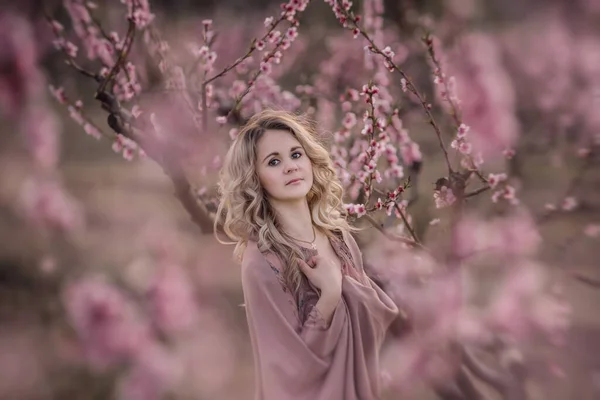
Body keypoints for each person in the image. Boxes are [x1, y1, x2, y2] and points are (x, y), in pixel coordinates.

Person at [215, 109, 399, 400]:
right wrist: (329, 296)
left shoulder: (340, 237)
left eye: (296, 155)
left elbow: (377, 318)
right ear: (255, 179)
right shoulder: (262, 263)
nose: (290, 167)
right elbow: (289, 368)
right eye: (274, 161)